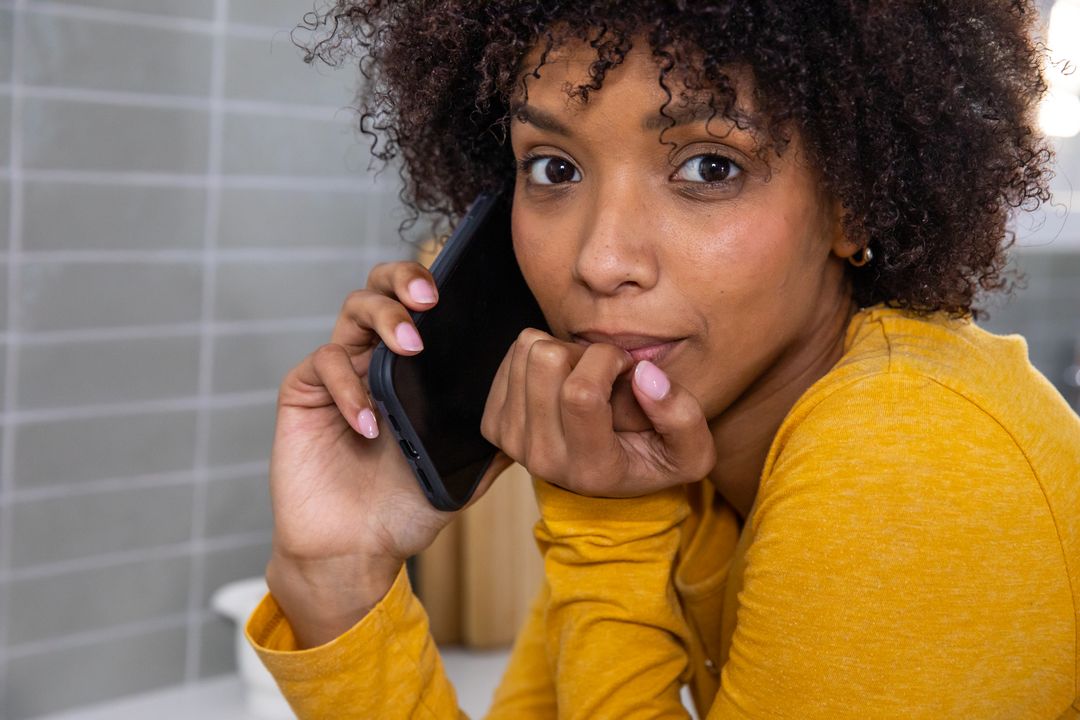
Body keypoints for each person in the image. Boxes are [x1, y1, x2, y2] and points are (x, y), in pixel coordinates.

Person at [246, 1, 1080, 718]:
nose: (601, 260)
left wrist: (605, 527)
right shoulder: (666, 444)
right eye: (553, 168)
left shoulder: (912, 449)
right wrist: (338, 581)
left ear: (853, 200)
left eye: (709, 167)